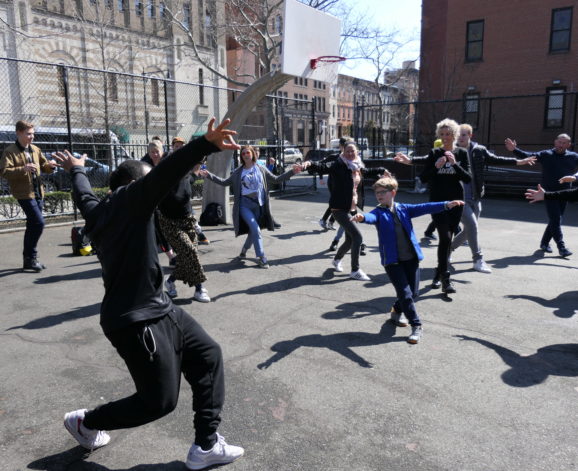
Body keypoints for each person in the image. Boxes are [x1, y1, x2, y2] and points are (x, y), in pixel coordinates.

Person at [53, 118, 244, 470]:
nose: (156, 187)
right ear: (132, 185)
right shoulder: (131, 199)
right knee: (158, 402)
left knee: (208, 355)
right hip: (135, 320)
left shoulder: (99, 212)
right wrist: (204, 144)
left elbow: (84, 195)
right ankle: (85, 422)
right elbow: (165, 172)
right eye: (149, 179)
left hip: (161, 307)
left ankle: (206, 445)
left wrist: (77, 169)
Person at [353, 176, 464, 344]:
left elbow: (425, 207)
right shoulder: (378, 212)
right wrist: (361, 217)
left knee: (413, 293)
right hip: (392, 261)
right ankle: (416, 325)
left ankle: (396, 311)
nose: (379, 195)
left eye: (382, 192)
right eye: (377, 193)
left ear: (393, 193)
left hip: (411, 259)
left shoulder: (404, 209)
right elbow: (370, 217)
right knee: (405, 294)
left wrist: (446, 204)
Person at [395, 118, 472, 294]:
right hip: (438, 202)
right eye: (442, 134)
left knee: (448, 240)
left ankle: (438, 274)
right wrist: (436, 167)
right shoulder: (434, 152)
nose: (445, 137)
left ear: (454, 135)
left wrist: (454, 164)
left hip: (456, 201)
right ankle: (446, 279)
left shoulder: (461, 153)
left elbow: (467, 178)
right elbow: (423, 178)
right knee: (444, 238)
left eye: (448, 134)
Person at [450, 124, 536, 273]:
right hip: (459, 198)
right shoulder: (452, 151)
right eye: (458, 135)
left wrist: (519, 162)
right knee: (473, 226)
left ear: (470, 136)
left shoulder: (479, 150)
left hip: (475, 197)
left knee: (468, 231)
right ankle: (478, 260)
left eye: (464, 135)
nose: (460, 137)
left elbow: (497, 160)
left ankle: (448, 249)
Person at [200, 145, 304, 268]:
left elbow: (276, 179)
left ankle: (244, 251)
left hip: (259, 204)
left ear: (252, 154)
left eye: (247, 152)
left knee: (252, 232)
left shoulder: (260, 168)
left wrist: (292, 171)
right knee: (256, 229)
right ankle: (261, 257)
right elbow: (224, 182)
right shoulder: (238, 172)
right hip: (244, 205)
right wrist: (209, 175)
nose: (245, 155)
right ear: (241, 157)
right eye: (243, 153)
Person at [307, 141, 387, 281]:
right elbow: (322, 167)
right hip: (338, 208)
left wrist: (382, 170)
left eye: (353, 151)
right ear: (343, 152)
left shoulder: (358, 166)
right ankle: (355, 270)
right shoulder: (338, 164)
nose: (350, 154)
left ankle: (336, 260)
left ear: (357, 152)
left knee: (350, 239)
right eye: (347, 151)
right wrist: (308, 164)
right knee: (358, 237)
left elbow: (368, 172)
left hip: (350, 207)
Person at [506, 133, 578, 257]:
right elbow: (528, 156)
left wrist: (574, 177)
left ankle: (544, 243)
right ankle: (561, 247)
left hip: (565, 193)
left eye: (564, 143)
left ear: (569, 145)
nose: (561, 145)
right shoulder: (546, 154)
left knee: (555, 220)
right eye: (559, 142)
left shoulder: (574, 156)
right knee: (556, 219)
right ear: (555, 142)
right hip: (547, 193)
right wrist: (514, 150)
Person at [0, 120, 57, 272]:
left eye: (33, 133)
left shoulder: (35, 149)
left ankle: (29, 260)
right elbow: (4, 172)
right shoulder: (10, 151)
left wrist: (50, 166)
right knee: (39, 223)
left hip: (39, 191)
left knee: (32, 225)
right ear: (18, 133)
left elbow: (44, 167)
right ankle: (31, 257)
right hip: (24, 193)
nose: (32, 136)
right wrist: (23, 168)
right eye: (28, 134)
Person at [157, 157, 211, 303]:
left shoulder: (186, 177)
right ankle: (199, 289)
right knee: (190, 251)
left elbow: (193, 176)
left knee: (187, 257)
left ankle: (170, 281)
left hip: (188, 221)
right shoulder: (161, 183)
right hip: (170, 224)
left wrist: (199, 165)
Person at [172, 136, 210, 245]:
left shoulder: (187, 158)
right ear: (173, 147)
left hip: (183, 193)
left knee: (190, 215)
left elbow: (192, 175)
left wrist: (199, 163)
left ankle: (199, 235)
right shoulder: (169, 159)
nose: (179, 148)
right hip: (172, 194)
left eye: (181, 146)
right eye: (176, 146)